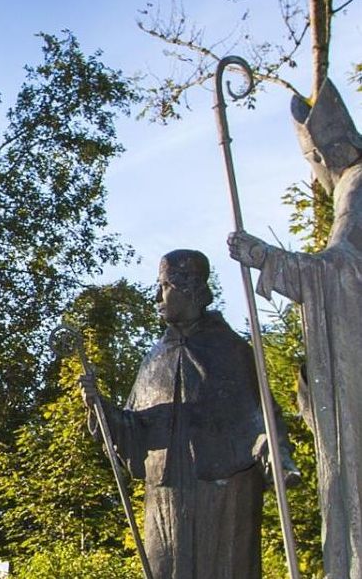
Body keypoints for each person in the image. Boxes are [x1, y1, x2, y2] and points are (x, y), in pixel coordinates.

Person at [82, 249, 294, 579]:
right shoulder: (155, 358)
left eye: (163, 286)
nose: (156, 296)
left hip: (223, 493)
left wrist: (276, 453)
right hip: (166, 494)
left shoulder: (232, 351)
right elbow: (135, 429)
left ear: (189, 288)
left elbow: (263, 417)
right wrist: (102, 409)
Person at [229, 79, 362, 579]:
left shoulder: (357, 183)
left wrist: (268, 258)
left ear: (334, 151)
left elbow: (344, 271)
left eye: (316, 159)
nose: (319, 170)